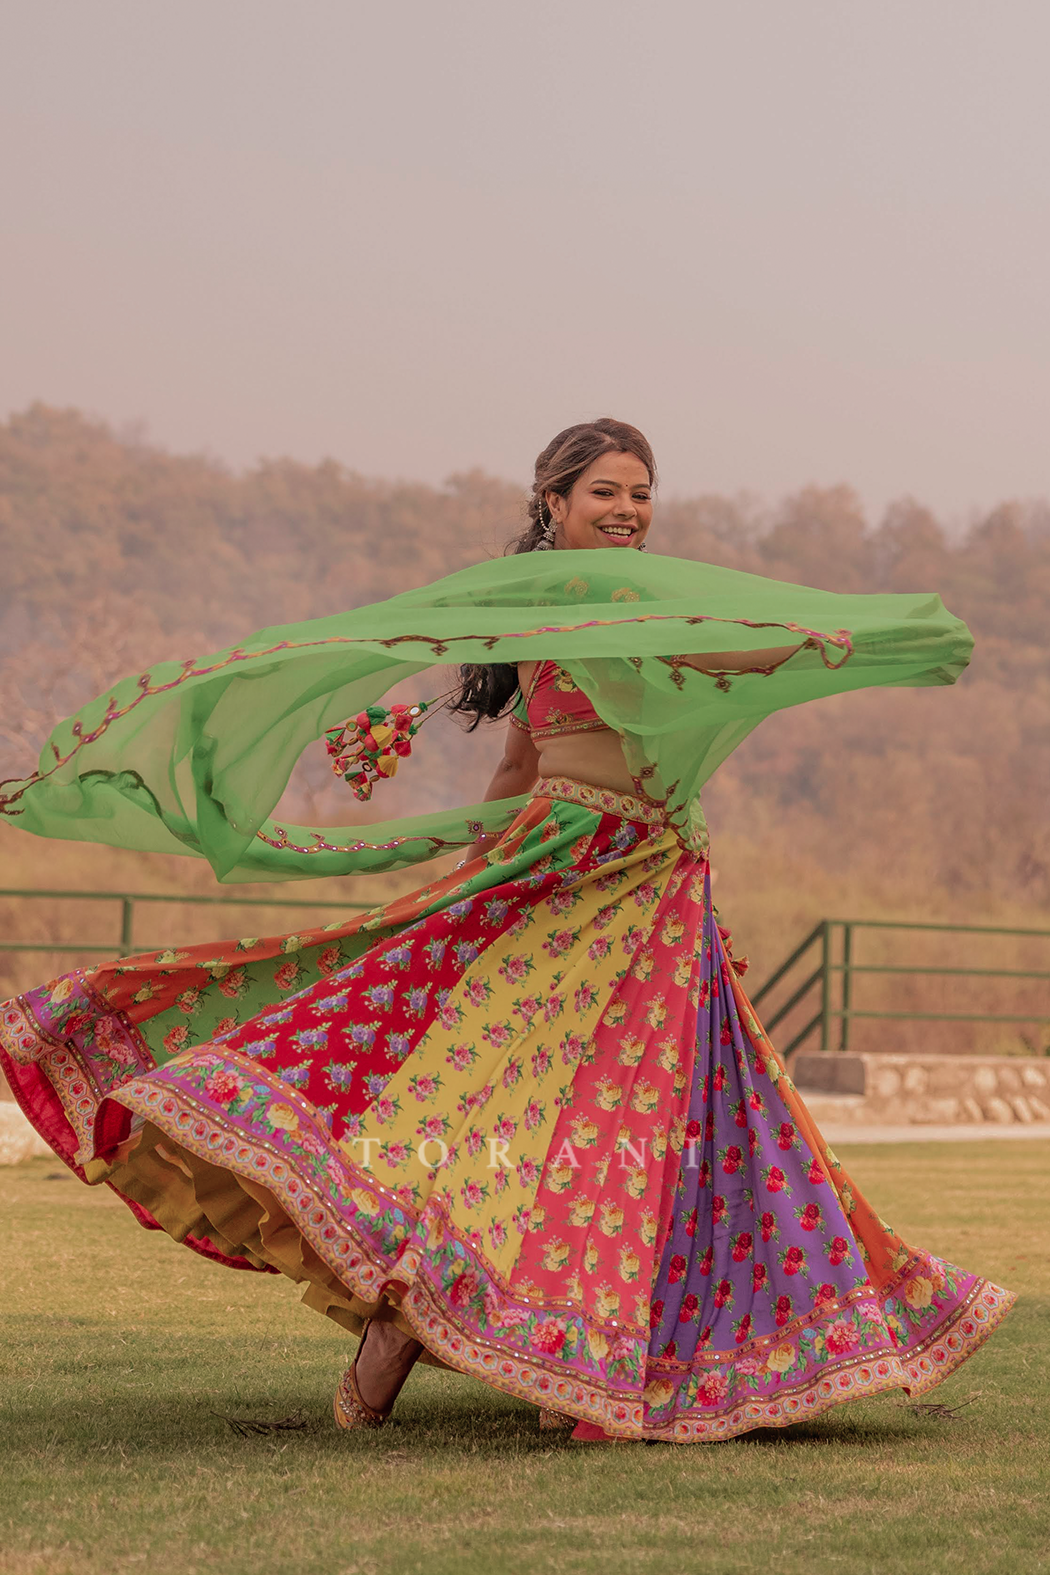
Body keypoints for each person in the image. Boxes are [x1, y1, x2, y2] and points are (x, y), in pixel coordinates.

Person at [0, 419, 1013, 1444]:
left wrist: (828, 644)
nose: (627, 510)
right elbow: (523, 764)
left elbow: (717, 655)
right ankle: (421, 1316)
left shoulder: (643, 604)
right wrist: (470, 884)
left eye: (641, 493)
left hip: (651, 882)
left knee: (651, 1114)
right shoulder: (539, 614)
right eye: (605, 492)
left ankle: (544, 1343)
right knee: (491, 1093)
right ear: (553, 503)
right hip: (560, 871)